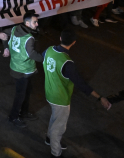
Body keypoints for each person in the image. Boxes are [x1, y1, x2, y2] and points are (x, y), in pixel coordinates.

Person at [43, 29, 110, 157]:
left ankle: (49, 138)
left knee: (54, 118)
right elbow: (81, 84)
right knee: (59, 128)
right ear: (73, 43)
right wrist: (100, 97)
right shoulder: (67, 63)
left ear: (60, 38)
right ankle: (55, 152)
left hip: (49, 93)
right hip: (60, 99)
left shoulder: (49, 50)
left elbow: (40, 58)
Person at [7, 11, 43, 128]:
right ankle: (13, 117)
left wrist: (5, 48)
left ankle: (24, 112)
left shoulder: (15, 29)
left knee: (26, 92)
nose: (37, 24)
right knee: (20, 95)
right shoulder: (29, 38)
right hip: (23, 70)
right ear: (27, 23)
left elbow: (4, 36)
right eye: (35, 22)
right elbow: (32, 54)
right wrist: (45, 58)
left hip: (17, 67)